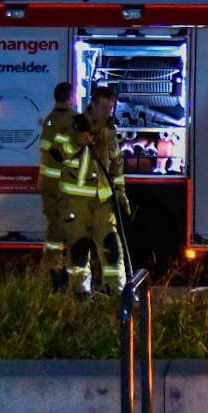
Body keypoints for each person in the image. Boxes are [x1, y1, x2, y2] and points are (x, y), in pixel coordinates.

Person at [56, 86, 131, 298]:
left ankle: (117, 295)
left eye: (111, 107)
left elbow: (116, 167)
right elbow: (58, 154)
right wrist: (75, 143)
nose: (108, 111)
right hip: (77, 202)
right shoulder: (74, 126)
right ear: (94, 104)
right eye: (105, 107)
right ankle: (79, 295)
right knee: (79, 251)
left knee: (112, 249)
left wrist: (120, 192)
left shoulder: (109, 132)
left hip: (103, 204)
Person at [39, 82, 74, 288]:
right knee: (69, 229)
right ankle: (67, 273)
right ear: (70, 98)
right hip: (64, 184)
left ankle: (53, 268)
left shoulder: (50, 120)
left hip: (48, 184)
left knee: (53, 230)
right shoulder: (71, 120)